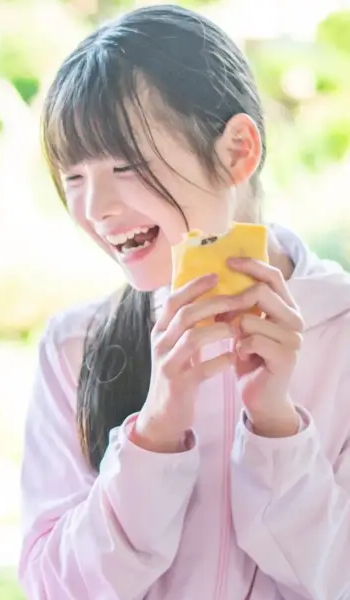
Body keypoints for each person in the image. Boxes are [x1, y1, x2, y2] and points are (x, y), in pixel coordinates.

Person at [19, 5, 350, 599]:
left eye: (125, 165)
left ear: (238, 151)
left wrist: (277, 428)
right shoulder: (75, 347)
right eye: (74, 177)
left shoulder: (340, 332)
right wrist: (154, 434)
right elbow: (52, 587)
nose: (96, 208)